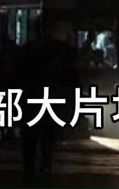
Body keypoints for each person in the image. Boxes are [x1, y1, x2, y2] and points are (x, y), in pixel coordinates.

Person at [14, 18, 75, 176]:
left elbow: (17, 75)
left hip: (38, 97)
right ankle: (40, 164)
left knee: (38, 134)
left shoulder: (30, 49)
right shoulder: (57, 50)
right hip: (41, 97)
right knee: (41, 133)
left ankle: (36, 164)